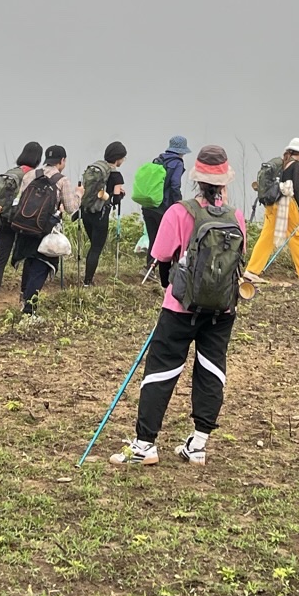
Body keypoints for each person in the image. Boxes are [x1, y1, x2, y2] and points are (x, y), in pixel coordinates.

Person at [112, 145, 248, 467]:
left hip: (179, 307)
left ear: (196, 180)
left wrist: (171, 287)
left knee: (162, 369)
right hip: (222, 310)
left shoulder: (178, 212)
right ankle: (198, 445)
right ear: (224, 182)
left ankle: (145, 445)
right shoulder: (237, 217)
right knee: (211, 369)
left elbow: (160, 258)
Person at [9, 144, 79, 314]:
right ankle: (29, 310)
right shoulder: (62, 180)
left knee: (29, 260)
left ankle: (23, 298)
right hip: (44, 229)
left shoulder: (30, 175)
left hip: (25, 225)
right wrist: (79, 194)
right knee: (41, 266)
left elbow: (23, 199)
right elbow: (71, 208)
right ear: (62, 161)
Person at [243, 138, 299, 284]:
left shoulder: (283, 163)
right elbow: (296, 189)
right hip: (287, 206)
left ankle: (251, 271)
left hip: (272, 205)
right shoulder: (296, 165)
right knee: (298, 236)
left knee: (267, 237)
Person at [0, 142, 42, 308]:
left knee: (1, 258)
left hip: (4, 219)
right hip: (22, 221)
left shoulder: (11, 173)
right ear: (38, 158)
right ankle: (24, 294)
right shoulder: (34, 175)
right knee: (26, 257)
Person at [77, 142, 129, 285]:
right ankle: (87, 281)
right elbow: (116, 200)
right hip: (100, 214)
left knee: (94, 245)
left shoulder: (96, 169)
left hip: (87, 211)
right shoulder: (116, 175)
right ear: (118, 158)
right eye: (123, 158)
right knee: (96, 248)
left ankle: (87, 279)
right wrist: (119, 195)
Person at [140, 136, 189, 254]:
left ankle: (148, 268)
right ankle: (165, 269)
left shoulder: (158, 160)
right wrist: (179, 203)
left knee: (153, 239)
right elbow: (175, 185)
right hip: (163, 208)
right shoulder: (177, 163)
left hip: (148, 205)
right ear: (181, 151)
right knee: (166, 241)